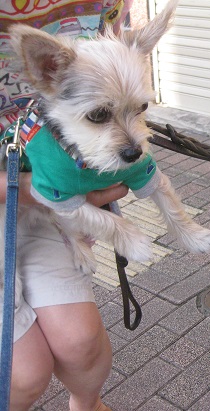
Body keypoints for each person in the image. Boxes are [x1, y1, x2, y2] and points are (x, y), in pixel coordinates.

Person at [0, 1, 134, 410]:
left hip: (47, 207)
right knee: (22, 374)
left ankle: (87, 404)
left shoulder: (107, 6)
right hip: (32, 193)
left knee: (81, 343)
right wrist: (44, 189)